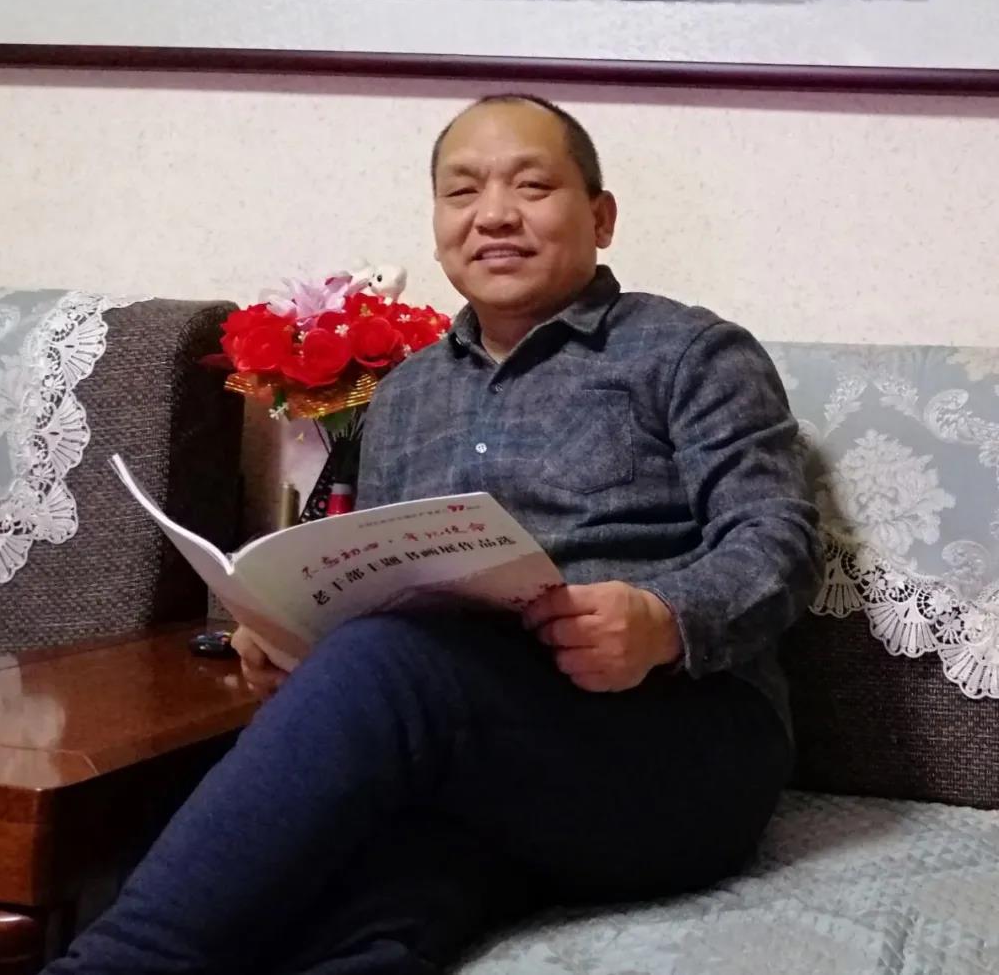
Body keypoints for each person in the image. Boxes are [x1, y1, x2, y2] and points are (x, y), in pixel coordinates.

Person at [45, 95, 822, 975]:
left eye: (533, 186)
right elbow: (377, 577)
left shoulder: (691, 352)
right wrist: (293, 634)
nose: (494, 214)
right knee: (354, 889)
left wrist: (663, 619)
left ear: (601, 217)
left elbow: (779, 541)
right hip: (484, 764)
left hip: (676, 746)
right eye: (462, 192)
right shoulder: (406, 393)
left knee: (387, 668)